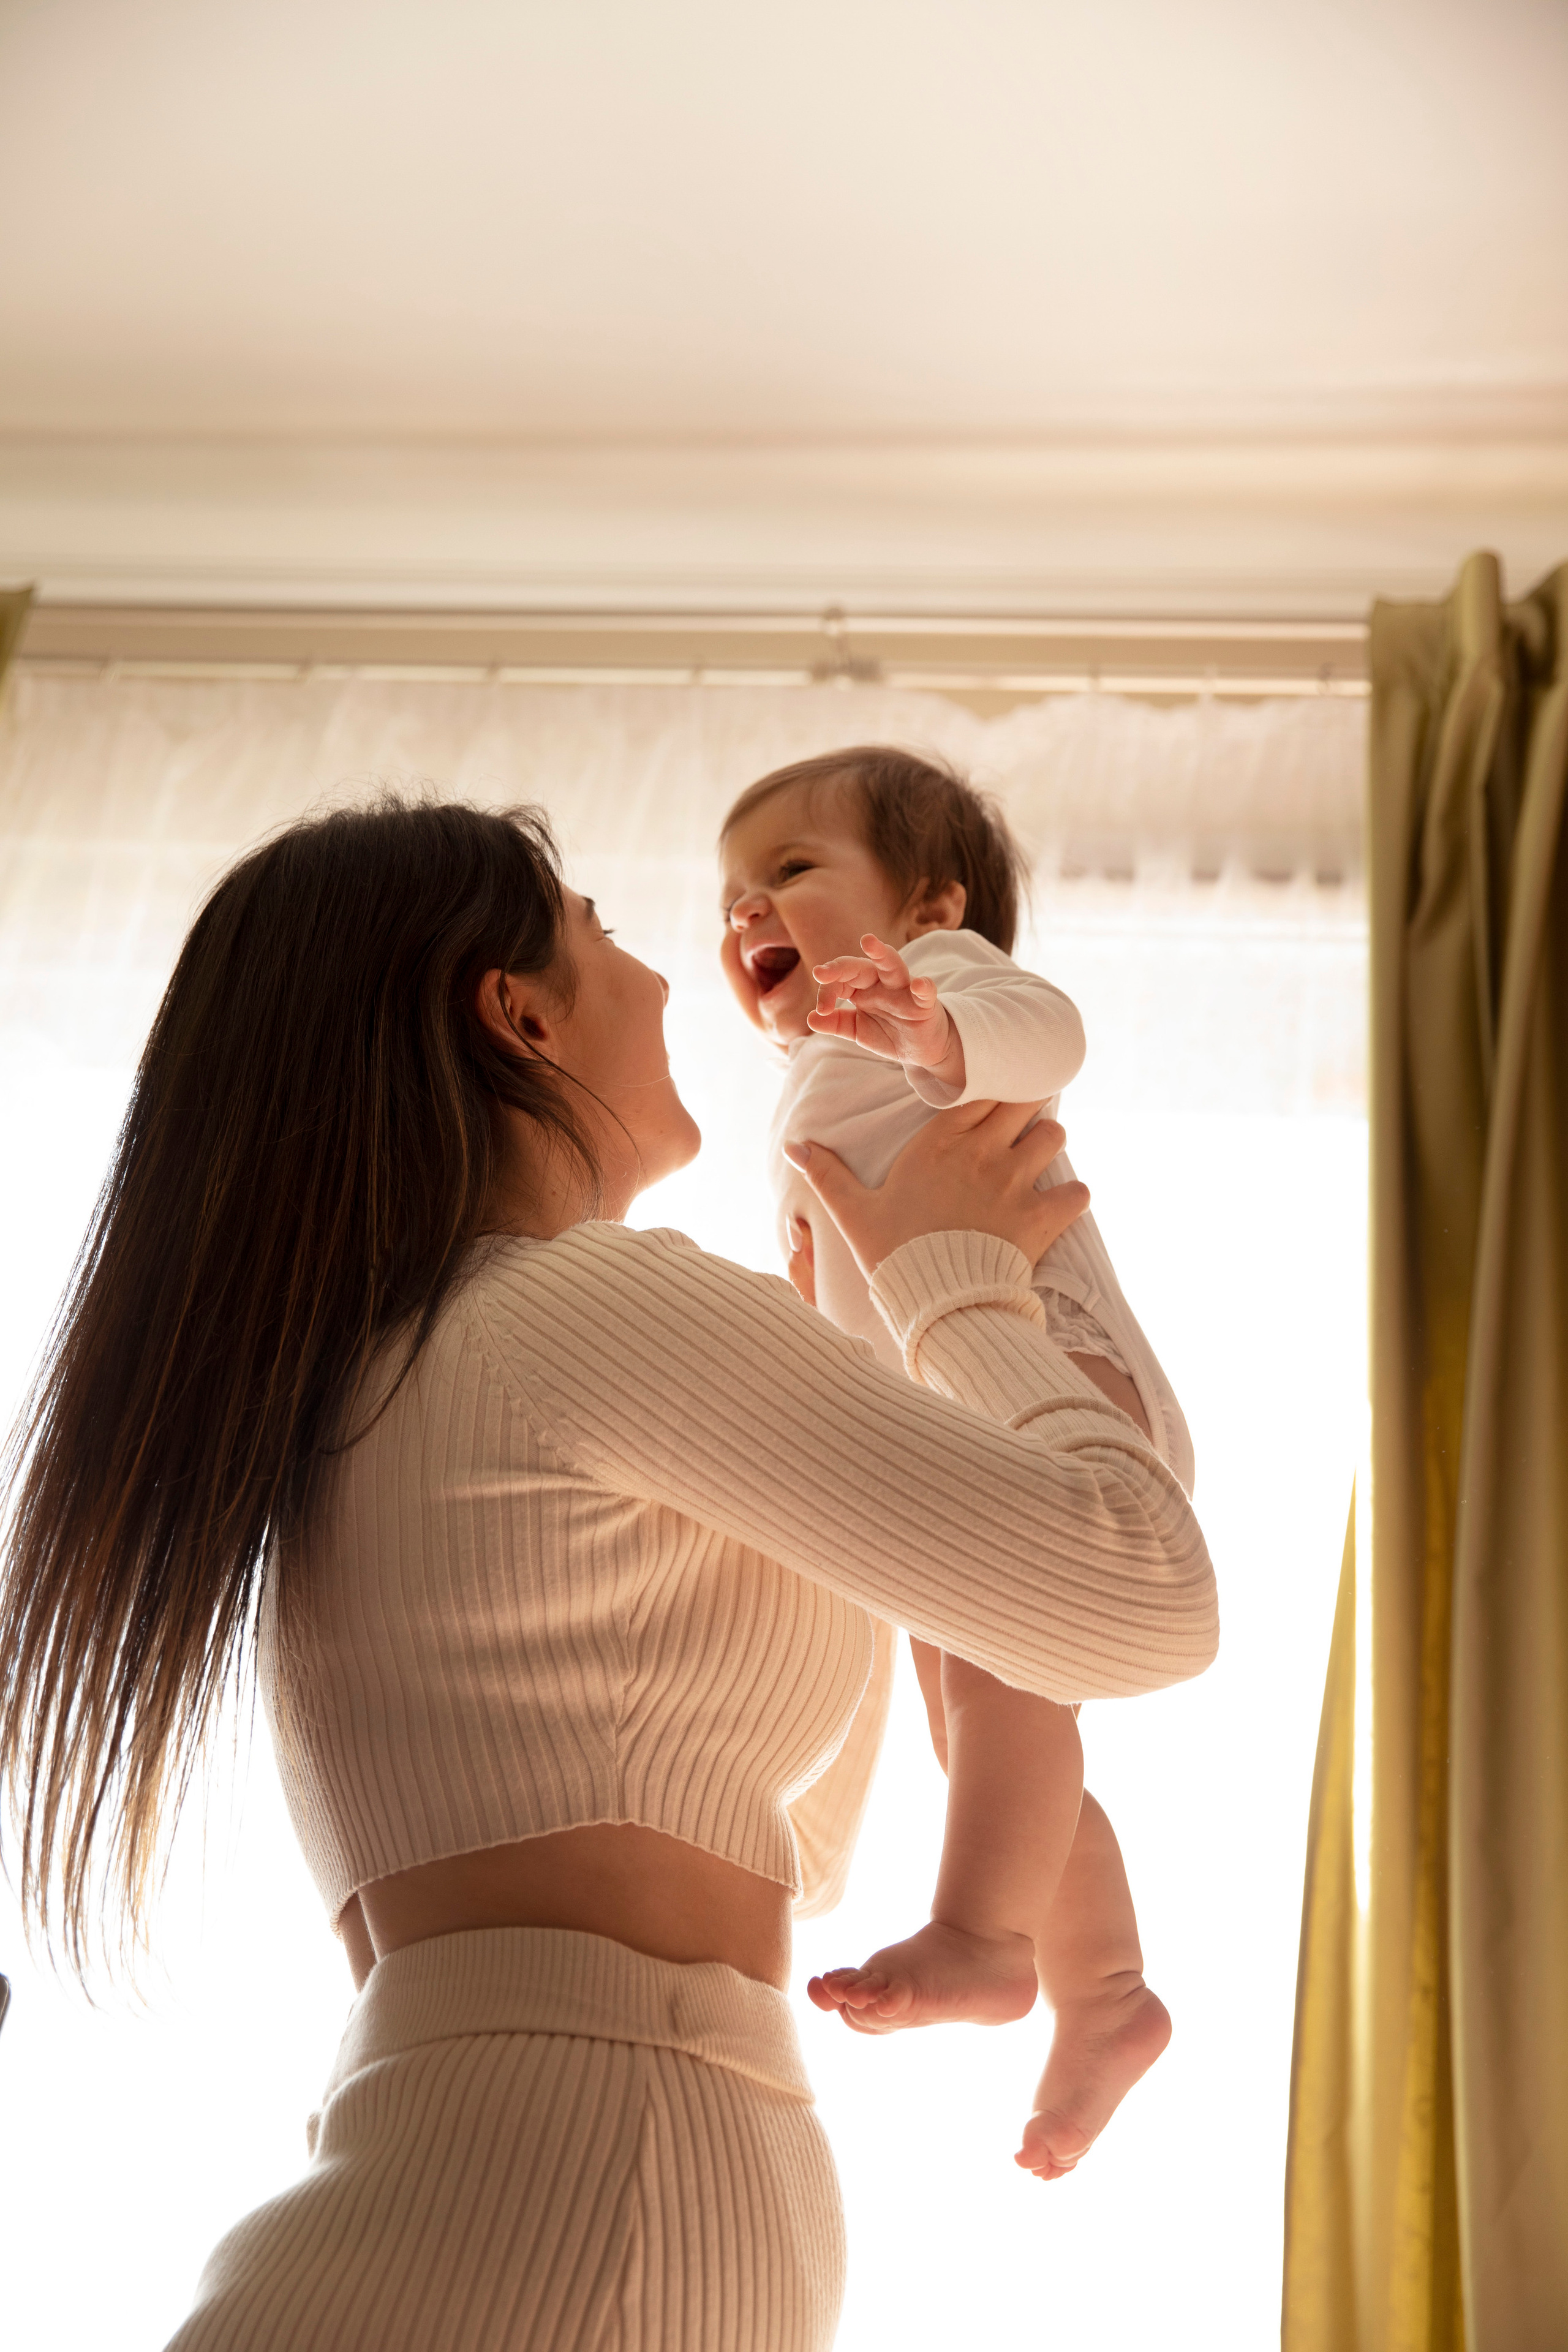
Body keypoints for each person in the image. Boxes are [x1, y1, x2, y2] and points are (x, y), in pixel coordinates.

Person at [0, 796, 1216, 2352]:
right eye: (602, 931)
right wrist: (958, 1286)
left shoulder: (386, 1367)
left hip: (528, 2170)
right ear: (515, 1016)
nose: (658, 976)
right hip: (587, 2180)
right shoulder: (564, 1312)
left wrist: (865, 1352)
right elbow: (1146, 1599)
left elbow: (797, 1846)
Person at [719, 747, 1195, 2181]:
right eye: (729, 896)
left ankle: (990, 1944)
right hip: (952, 1405)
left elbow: (1045, 1033)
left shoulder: (944, 991)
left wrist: (939, 1026)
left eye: (791, 871)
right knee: (977, 1723)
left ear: (927, 904)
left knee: (994, 1689)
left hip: (1052, 1371)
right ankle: (1102, 1991)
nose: (749, 907)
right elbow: (854, 1277)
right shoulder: (815, 1076)